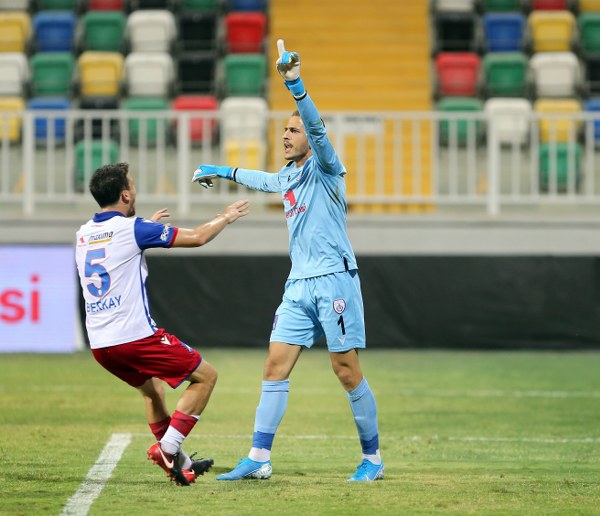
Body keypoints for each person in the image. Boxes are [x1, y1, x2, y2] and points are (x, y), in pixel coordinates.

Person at [192, 39, 383, 482]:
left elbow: (318, 130)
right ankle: (259, 457)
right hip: (298, 285)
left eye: (293, 131)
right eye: (284, 130)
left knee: (345, 371)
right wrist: (218, 170)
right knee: (274, 365)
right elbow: (264, 179)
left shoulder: (327, 167)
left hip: (334, 279)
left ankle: (372, 459)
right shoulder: (290, 175)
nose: (286, 135)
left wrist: (295, 85)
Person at [75, 162, 249, 486]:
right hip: (134, 336)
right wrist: (225, 216)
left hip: (100, 344)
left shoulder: (84, 233)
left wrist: (145, 229)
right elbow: (197, 238)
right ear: (125, 194)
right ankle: (168, 448)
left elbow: (116, 252)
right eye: (133, 184)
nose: (136, 190)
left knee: (153, 392)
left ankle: (180, 464)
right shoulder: (133, 230)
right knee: (206, 377)